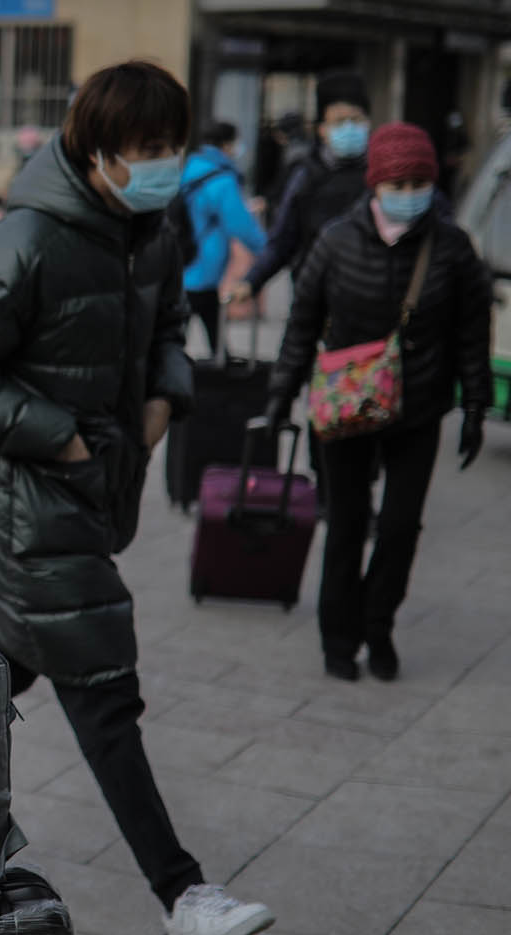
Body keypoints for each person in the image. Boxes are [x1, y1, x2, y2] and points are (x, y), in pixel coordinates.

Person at [0, 60, 275, 935]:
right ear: (97, 150)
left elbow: (167, 326)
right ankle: (183, 893)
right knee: (102, 686)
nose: (163, 164)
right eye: (147, 150)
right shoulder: (27, 240)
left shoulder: (149, 230)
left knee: (3, 674)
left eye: (173, 146)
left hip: (97, 487)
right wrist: (65, 440)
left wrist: (165, 399)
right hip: (30, 497)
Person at [267, 122, 493, 682]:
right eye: (399, 181)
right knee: (345, 525)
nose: (409, 191)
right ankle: (338, 639)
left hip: (418, 408)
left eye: (420, 180)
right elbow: (302, 324)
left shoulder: (451, 247)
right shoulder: (337, 240)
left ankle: (378, 625)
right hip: (347, 410)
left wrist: (474, 407)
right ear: (376, 184)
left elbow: (471, 330)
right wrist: (280, 395)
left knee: (398, 527)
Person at [227, 73, 372, 308]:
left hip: (369, 296)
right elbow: (283, 238)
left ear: (368, 123)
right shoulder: (305, 175)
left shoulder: (382, 175)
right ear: (322, 129)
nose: (349, 128)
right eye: (339, 121)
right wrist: (252, 281)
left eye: (355, 120)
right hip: (314, 294)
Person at [182, 121, 267, 353]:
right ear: (226, 145)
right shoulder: (222, 181)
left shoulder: (190, 168)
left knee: (184, 327)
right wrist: (268, 251)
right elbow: (240, 225)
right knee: (204, 322)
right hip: (203, 264)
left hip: (183, 260)